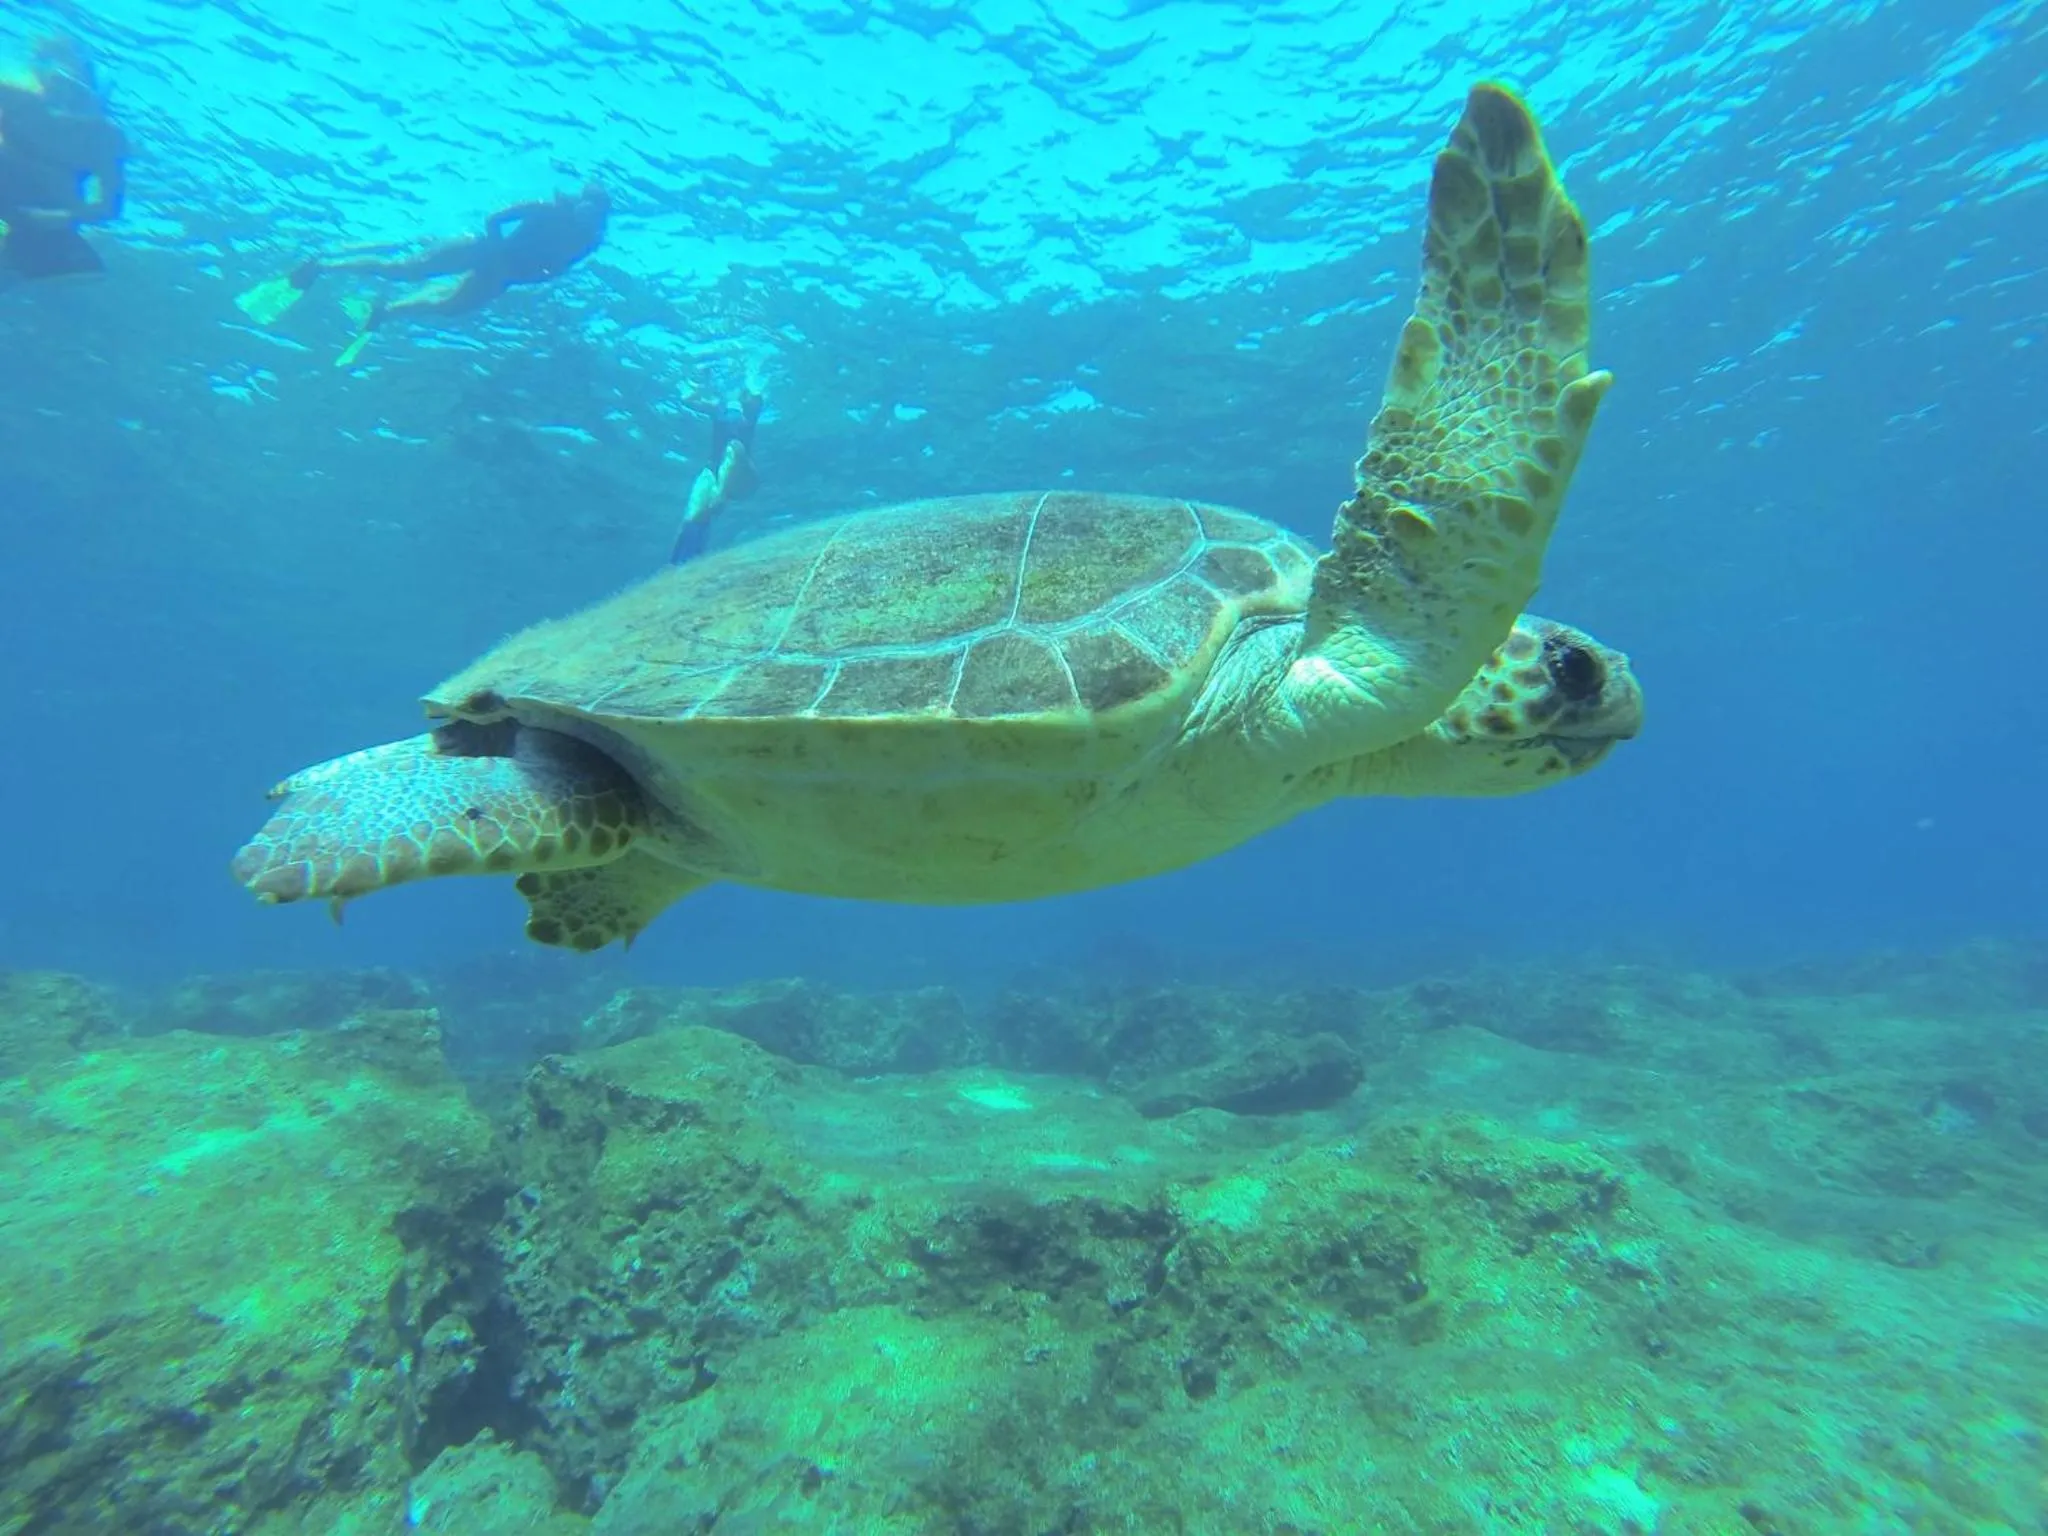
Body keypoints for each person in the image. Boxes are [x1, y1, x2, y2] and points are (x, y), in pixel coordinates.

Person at [235, 182, 611, 366]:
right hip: (484, 248)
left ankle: (384, 312)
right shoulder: (547, 208)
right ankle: (323, 264)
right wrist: (497, 251)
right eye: (586, 207)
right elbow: (495, 219)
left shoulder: (586, 243)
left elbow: (554, 271)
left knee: (450, 307)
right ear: (579, 201)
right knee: (406, 270)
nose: (587, 216)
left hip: (504, 273)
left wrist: (512, 277)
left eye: (594, 214)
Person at [0, 36, 127, 281]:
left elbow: (111, 207)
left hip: (47, 214)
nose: (65, 100)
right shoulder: (19, 100)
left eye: (75, 91)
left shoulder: (105, 138)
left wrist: (63, 217)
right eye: (58, 86)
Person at [671, 388, 765, 564]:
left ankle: (720, 493)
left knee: (734, 448)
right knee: (693, 516)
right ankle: (684, 561)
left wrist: (749, 387)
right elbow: (686, 398)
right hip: (714, 469)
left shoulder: (748, 411)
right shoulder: (719, 409)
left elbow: (757, 397)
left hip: (738, 469)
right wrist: (703, 387)